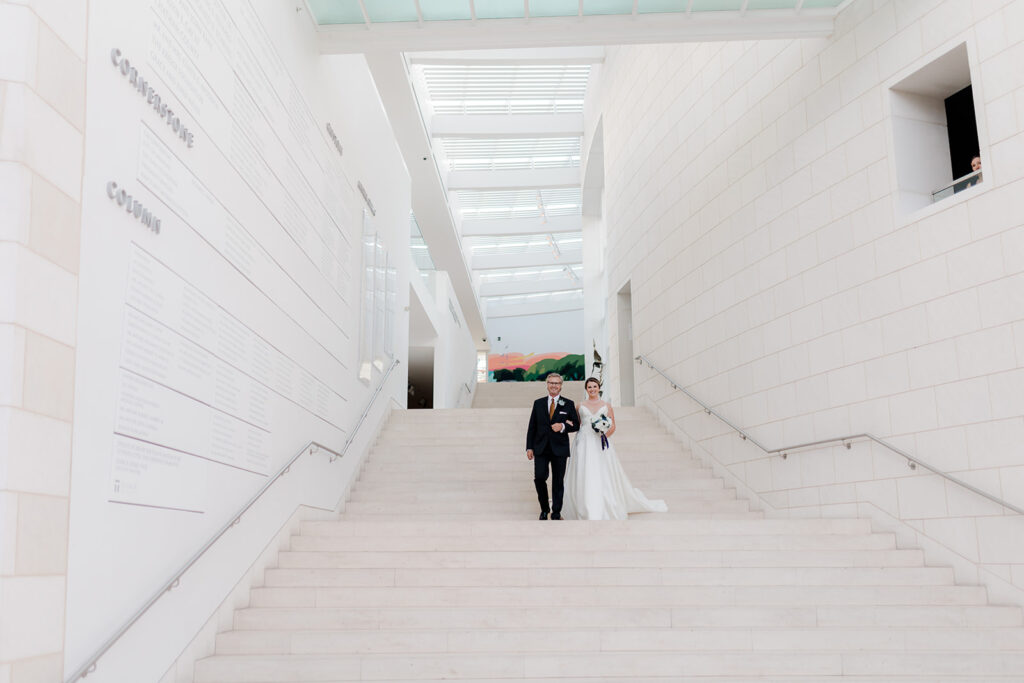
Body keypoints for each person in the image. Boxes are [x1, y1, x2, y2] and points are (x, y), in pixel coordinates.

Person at [563, 377, 668, 520]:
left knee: (603, 471)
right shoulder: (579, 405)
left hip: (600, 442)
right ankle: (584, 504)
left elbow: (612, 426)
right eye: (589, 387)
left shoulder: (606, 405)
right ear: (586, 389)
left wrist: (604, 435)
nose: (592, 389)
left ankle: (606, 503)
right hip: (584, 442)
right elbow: (579, 424)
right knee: (584, 470)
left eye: (594, 386)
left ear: (599, 388)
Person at [525, 373, 580, 520]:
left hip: (559, 449)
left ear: (561, 386)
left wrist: (562, 426)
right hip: (541, 448)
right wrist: (529, 447)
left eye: (557, 383)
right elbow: (532, 427)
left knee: (558, 481)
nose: (554, 385)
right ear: (547, 384)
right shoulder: (538, 403)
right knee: (539, 478)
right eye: (551, 383)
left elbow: (576, 425)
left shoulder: (568, 404)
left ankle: (556, 512)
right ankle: (544, 509)